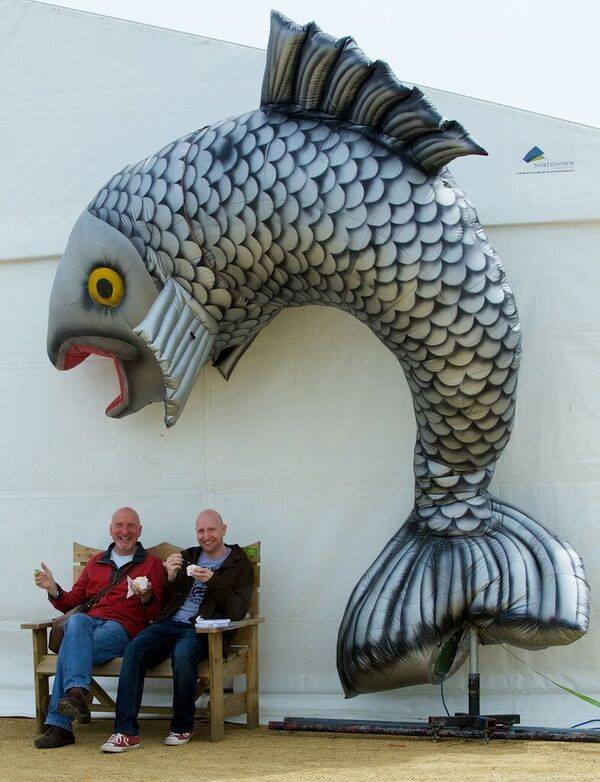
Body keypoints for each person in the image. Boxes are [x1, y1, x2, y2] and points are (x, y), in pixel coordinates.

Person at [101, 509, 253, 752]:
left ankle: (182, 725)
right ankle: (125, 731)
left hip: (204, 630)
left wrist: (212, 581)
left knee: (183, 652)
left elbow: (237, 610)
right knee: (135, 648)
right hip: (169, 623)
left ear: (224, 529)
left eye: (211, 530)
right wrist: (169, 578)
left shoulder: (238, 562)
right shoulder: (188, 557)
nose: (206, 536)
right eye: (201, 531)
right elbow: (161, 603)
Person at [33, 506, 165, 749]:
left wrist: (145, 596)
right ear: (110, 529)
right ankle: (76, 693)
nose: (124, 531)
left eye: (131, 526)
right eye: (119, 525)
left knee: (69, 652)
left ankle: (60, 724)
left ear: (139, 530)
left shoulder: (151, 564)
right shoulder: (96, 562)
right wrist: (53, 588)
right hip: (89, 624)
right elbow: (72, 603)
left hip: (123, 628)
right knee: (77, 621)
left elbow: (155, 614)